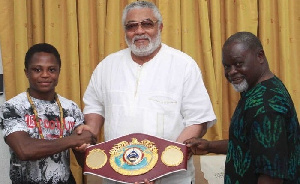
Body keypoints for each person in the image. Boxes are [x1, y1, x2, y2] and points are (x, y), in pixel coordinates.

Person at [79, 1, 217, 184]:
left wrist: (159, 166)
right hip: (117, 176)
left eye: (147, 24)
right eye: (131, 26)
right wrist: (91, 131)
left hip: (170, 177)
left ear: (160, 27)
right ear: (125, 31)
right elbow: (95, 106)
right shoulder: (107, 66)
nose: (139, 31)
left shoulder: (183, 65)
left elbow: (198, 120)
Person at [185, 32, 300, 184]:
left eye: (238, 64)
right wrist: (209, 146)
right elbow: (250, 143)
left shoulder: (265, 107)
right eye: (227, 66)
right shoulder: (257, 91)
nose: (231, 71)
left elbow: (271, 176)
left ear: (260, 56)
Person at [0, 43, 96, 184]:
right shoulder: (12, 107)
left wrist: (87, 143)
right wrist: (73, 140)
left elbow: (87, 163)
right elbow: (24, 149)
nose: (45, 75)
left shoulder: (71, 108)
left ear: (58, 72)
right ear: (27, 72)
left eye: (51, 70)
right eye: (37, 70)